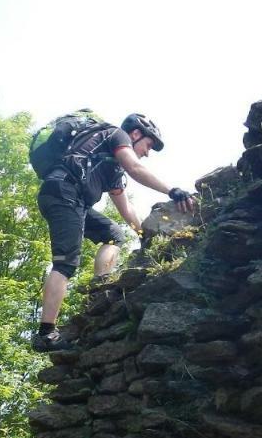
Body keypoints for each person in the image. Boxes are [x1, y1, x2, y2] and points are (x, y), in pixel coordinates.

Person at [32, 112, 196, 352]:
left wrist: (144, 235)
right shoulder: (115, 135)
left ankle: (100, 287)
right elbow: (136, 168)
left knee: (113, 234)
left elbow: (125, 208)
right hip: (64, 193)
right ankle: (46, 334)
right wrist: (173, 191)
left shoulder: (112, 168)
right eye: (148, 145)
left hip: (69, 197)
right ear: (136, 134)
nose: (147, 152)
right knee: (66, 263)